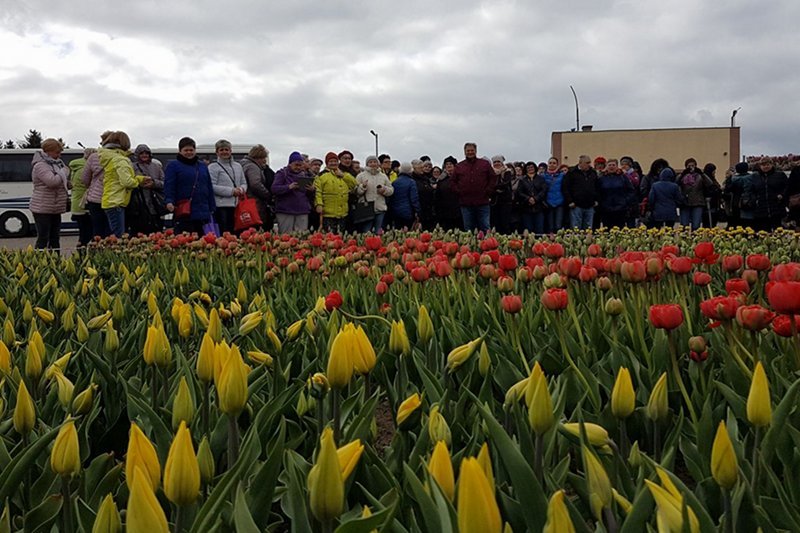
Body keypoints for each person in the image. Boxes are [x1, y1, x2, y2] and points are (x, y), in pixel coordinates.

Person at [165, 137, 216, 235]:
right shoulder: (173, 166)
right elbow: (169, 185)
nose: (189, 152)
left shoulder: (202, 166)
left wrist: (212, 206)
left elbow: (209, 186)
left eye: (191, 150)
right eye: (186, 150)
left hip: (203, 211)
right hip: (184, 211)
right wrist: (169, 201)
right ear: (180, 151)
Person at [99, 131, 141, 237]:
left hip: (110, 199)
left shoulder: (111, 158)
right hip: (117, 201)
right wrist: (139, 181)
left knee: (112, 234)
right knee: (118, 237)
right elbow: (127, 182)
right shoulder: (120, 160)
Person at [30, 138, 69, 250]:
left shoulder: (55, 164)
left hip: (54, 208)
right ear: (48, 151)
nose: (60, 155)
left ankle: (55, 263)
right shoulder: (40, 165)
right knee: (43, 238)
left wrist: (67, 184)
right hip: (42, 208)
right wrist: (65, 172)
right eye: (57, 152)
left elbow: (58, 180)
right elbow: (52, 182)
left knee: (55, 238)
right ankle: (39, 262)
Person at [452, 142, 495, 232]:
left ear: (475, 151)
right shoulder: (459, 166)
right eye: (468, 150)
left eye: (472, 150)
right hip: (466, 203)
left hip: (482, 202)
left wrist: (488, 191)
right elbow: (453, 182)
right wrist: (459, 192)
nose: (470, 152)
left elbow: (492, 178)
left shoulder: (485, 164)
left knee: (485, 227)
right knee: (468, 229)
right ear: (464, 152)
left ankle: (489, 245)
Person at [208, 139, 247, 233]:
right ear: (217, 152)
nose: (224, 152)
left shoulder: (238, 166)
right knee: (225, 233)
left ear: (230, 151)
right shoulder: (213, 167)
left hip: (238, 206)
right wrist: (231, 191)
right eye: (221, 150)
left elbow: (244, 182)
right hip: (222, 207)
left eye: (226, 149)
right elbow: (211, 186)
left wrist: (241, 190)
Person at [272, 151, 316, 233]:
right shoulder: (282, 173)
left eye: (300, 165)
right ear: (290, 164)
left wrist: (311, 190)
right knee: (286, 237)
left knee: (301, 237)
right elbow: (274, 189)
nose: (298, 167)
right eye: (296, 165)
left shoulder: (304, 176)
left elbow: (308, 195)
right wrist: (289, 187)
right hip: (285, 211)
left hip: (302, 210)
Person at [128, 144, 166, 235]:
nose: (144, 155)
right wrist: (139, 183)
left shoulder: (156, 167)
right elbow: (128, 182)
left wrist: (153, 183)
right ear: (137, 155)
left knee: (156, 232)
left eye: (146, 153)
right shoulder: (132, 167)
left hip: (155, 205)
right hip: (138, 205)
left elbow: (164, 183)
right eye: (142, 153)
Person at [315, 152, 357, 233]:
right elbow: (318, 192)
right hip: (328, 213)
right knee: (329, 236)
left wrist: (343, 176)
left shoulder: (344, 174)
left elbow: (354, 184)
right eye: (331, 161)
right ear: (327, 163)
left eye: (335, 161)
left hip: (343, 213)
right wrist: (318, 204)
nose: (333, 163)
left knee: (340, 236)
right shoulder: (322, 176)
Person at [742, 157, 788, 232]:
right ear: (760, 166)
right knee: (763, 233)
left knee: (778, 233)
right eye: (763, 165)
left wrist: (782, 195)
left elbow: (787, 188)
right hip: (760, 210)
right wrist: (754, 200)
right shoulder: (755, 177)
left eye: (768, 164)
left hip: (776, 208)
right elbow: (750, 190)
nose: (766, 166)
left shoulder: (780, 175)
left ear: (772, 165)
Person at [81, 131, 112, 238]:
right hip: (113, 198)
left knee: (97, 229)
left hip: (95, 199)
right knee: (112, 230)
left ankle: (97, 253)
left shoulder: (93, 157)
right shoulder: (120, 156)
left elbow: (84, 179)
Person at [355, 155, 394, 233]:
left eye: (375, 162)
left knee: (378, 232)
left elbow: (391, 190)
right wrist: (363, 187)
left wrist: (384, 190)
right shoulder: (361, 176)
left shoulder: (383, 176)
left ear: (378, 163)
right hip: (366, 209)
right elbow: (356, 192)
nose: (373, 164)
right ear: (367, 164)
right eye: (370, 162)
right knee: (367, 231)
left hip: (380, 208)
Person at [562, 155, 598, 230]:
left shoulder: (593, 173)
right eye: (587, 163)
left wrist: (596, 200)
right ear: (580, 163)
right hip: (576, 205)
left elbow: (597, 187)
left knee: (588, 229)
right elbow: (565, 188)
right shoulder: (571, 173)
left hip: (590, 205)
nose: (589, 165)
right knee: (576, 228)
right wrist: (570, 201)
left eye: (589, 163)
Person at [677, 158, 714, 230]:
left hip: (698, 202)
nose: (691, 167)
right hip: (685, 203)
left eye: (693, 165)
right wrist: (682, 174)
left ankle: (695, 239)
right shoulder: (683, 176)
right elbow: (676, 182)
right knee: (684, 226)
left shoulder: (699, 176)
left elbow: (709, 183)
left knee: (696, 225)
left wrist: (702, 173)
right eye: (689, 166)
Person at [597, 159, 634, 229]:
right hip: (606, 209)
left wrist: (625, 201)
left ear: (617, 166)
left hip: (620, 209)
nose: (611, 167)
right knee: (607, 230)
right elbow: (598, 192)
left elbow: (631, 191)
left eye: (613, 165)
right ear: (606, 167)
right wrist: (601, 203)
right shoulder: (602, 179)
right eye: (609, 165)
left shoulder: (623, 177)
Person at [69, 148, 94, 247]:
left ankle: (81, 253)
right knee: (87, 232)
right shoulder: (85, 168)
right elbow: (87, 184)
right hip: (84, 205)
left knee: (83, 231)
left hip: (77, 204)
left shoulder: (76, 167)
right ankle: (82, 254)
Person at [516, 161, 548, 234]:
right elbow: (519, 192)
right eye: (528, 167)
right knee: (528, 229)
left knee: (539, 228)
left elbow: (544, 190)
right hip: (526, 208)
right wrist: (528, 198)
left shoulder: (541, 179)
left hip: (539, 207)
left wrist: (536, 198)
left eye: (532, 167)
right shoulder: (522, 180)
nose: (530, 169)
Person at [388, 162, 420, 230]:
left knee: (398, 232)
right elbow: (414, 199)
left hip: (395, 212)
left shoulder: (395, 182)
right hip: (408, 212)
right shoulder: (411, 182)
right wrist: (418, 211)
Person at [490, 155, 517, 233]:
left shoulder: (507, 171)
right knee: (495, 223)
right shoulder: (491, 172)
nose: (497, 163)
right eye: (495, 162)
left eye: (498, 161)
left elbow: (506, 184)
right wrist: (496, 188)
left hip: (505, 201)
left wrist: (495, 187)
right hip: (494, 201)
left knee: (505, 223)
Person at [434, 156, 462, 230]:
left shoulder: (460, 178)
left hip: (458, 211)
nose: (449, 166)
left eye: (451, 164)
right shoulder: (441, 180)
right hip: (445, 212)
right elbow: (438, 196)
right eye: (447, 164)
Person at [542, 157, 566, 232]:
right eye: (550, 163)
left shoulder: (562, 176)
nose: (552, 165)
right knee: (550, 226)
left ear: (557, 165)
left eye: (554, 163)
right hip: (548, 203)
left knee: (558, 225)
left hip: (559, 202)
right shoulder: (542, 176)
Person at [411, 159, 436, 230]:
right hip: (419, 210)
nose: (423, 169)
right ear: (414, 168)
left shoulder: (425, 179)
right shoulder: (412, 180)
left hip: (428, 210)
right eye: (420, 167)